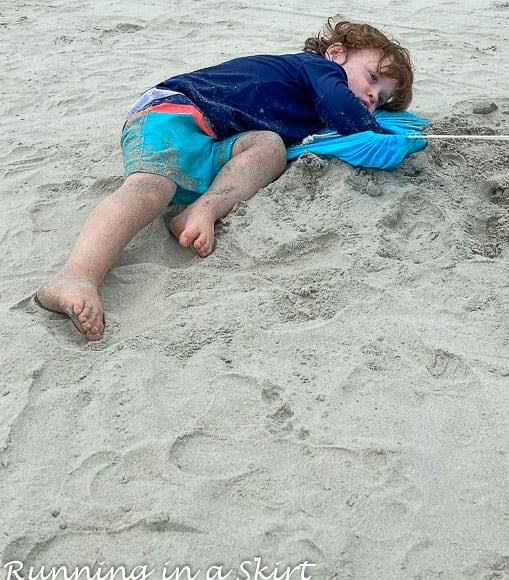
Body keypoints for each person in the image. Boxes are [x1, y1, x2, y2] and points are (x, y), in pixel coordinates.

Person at [36, 19, 414, 341]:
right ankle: (76, 276)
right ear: (336, 53)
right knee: (150, 190)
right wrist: (375, 128)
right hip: (177, 111)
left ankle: (202, 210)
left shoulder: (322, 105)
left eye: (380, 98)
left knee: (270, 147)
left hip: (216, 142)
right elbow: (341, 107)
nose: (370, 96)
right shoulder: (318, 70)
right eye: (372, 78)